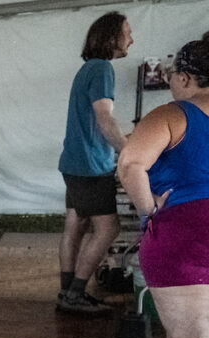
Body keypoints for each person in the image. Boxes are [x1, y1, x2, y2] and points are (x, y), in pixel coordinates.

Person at [119, 35, 209, 338]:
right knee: (190, 322)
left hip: (185, 230)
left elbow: (131, 164)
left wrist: (148, 207)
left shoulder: (172, 114)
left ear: (187, 76)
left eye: (174, 73)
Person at [56, 12, 133, 315]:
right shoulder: (102, 69)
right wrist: (129, 152)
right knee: (108, 229)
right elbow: (104, 119)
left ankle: (67, 293)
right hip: (89, 166)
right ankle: (73, 295)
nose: (131, 39)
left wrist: (122, 139)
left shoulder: (88, 68)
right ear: (112, 36)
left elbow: (94, 122)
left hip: (73, 163)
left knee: (74, 226)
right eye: (127, 32)